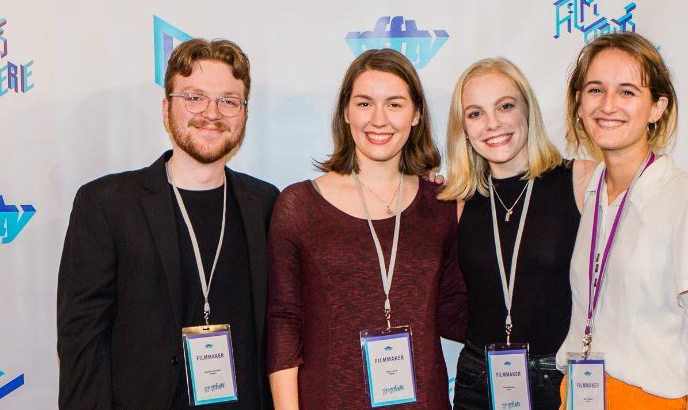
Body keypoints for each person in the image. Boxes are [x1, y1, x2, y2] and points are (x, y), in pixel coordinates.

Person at [57, 38, 278, 409]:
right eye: (194, 97)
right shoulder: (106, 204)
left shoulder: (268, 203)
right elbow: (81, 342)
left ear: (244, 113)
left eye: (228, 100)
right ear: (166, 109)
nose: (212, 112)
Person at [266, 48, 467, 409]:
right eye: (364, 103)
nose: (378, 119)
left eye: (394, 104)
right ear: (345, 112)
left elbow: (457, 312)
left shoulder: (442, 206)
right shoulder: (299, 206)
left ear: (416, 114)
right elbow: (284, 321)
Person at [556, 32, 688, 409]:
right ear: (579, 104)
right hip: (580, 394)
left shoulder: (687, 196)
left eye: (628, 92)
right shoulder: (592, 192)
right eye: (596, 90)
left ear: (657, 107)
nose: (608, 105)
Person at [438, 57, 594, 409]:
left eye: (505, 106)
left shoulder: (581, 180)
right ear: (463, 127)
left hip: (559, 378)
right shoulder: (457, 200)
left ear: (528, 111)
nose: (492, 124)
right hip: (478, 379)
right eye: (475, 114)